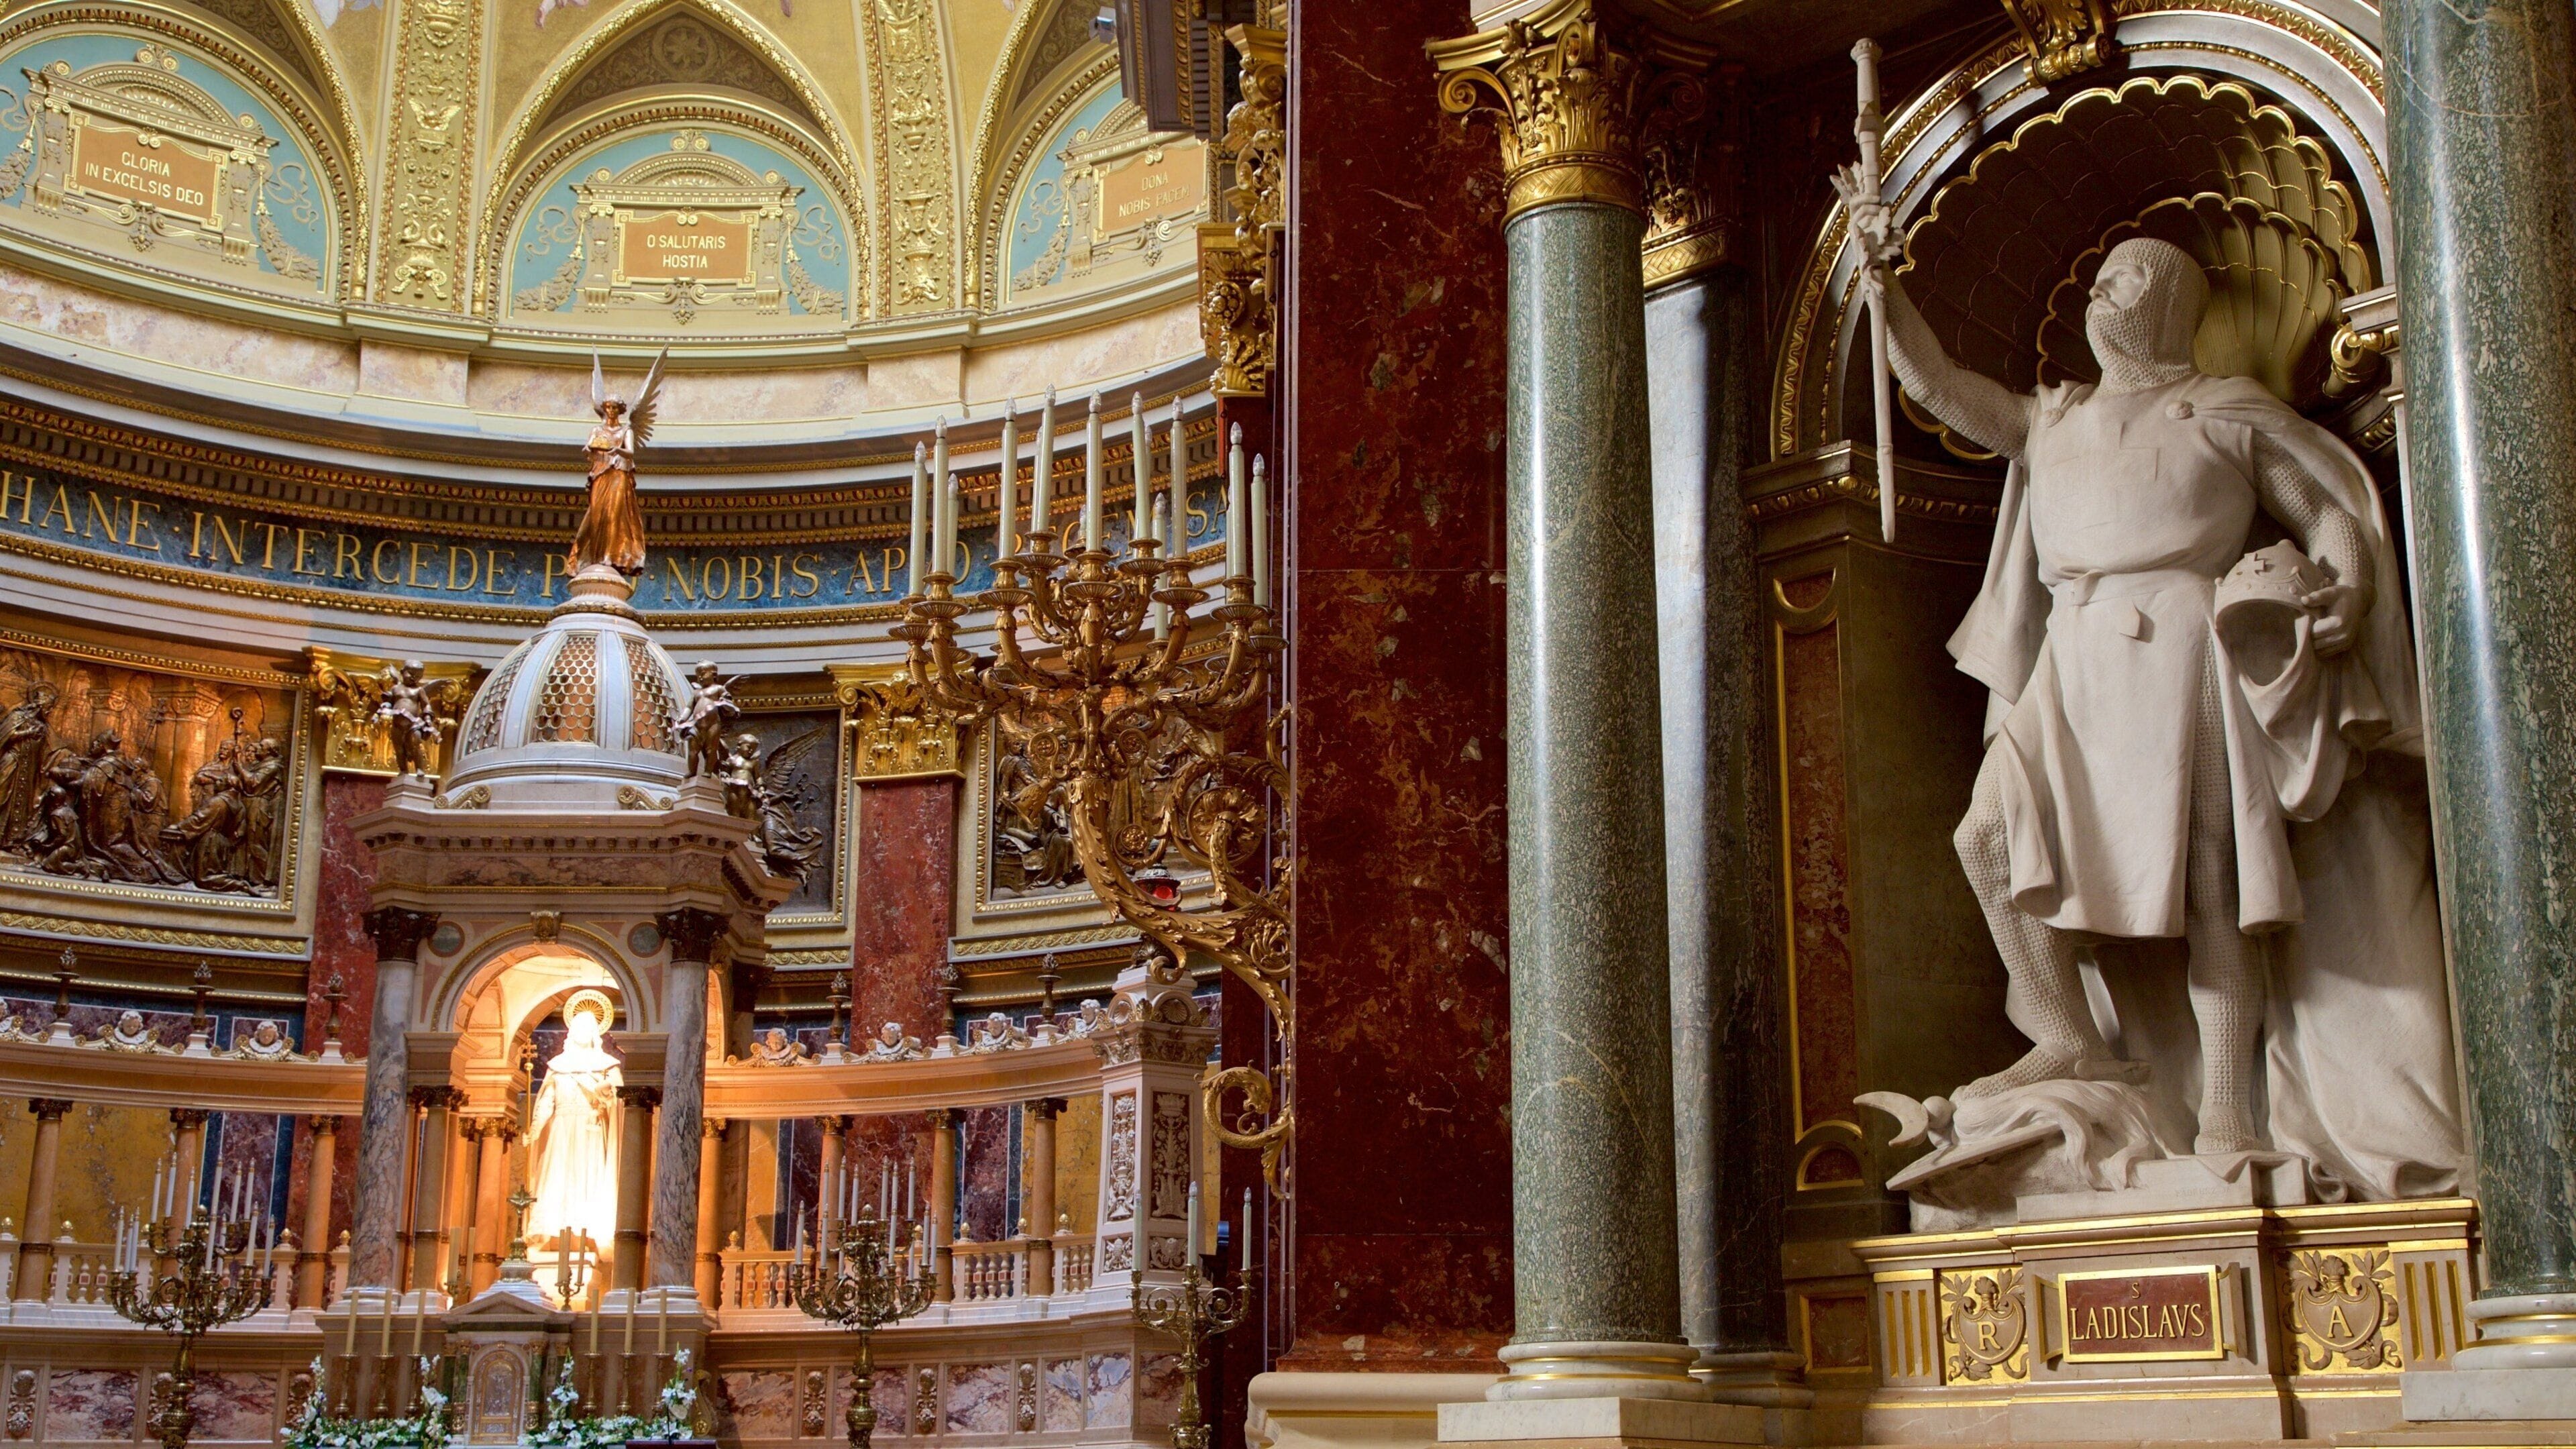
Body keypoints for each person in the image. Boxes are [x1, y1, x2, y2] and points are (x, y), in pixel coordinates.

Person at [1835, 173, 2457, 1193]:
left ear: (2169, 303)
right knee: (1986, 837)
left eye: (2124, 281)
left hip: (2186, 645)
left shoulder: (2226, 412)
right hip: (2071, 659)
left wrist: (2343, 584)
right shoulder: (2053, 417)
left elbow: (2323, 508)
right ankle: (2067, 1033)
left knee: (2211, 886)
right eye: (2100, 281)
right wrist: (1883, 279)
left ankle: (2224, 1110)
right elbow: (1942, 387)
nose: (2099, 296)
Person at [524, 991, 623, 1258]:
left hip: (590, 1131)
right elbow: (547, 1100)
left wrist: (606, 1093)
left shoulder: (607, 1065)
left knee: (587, 1178)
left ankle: (588, 1233)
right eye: (577, 1026)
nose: (581, 1031)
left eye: (587, 1027)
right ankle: (553, 1232)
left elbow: (621, 1098)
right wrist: (535, 1130)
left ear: (595, 1033)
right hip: (562, 1131)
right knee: (558, 1178)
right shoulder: (558, 1066)